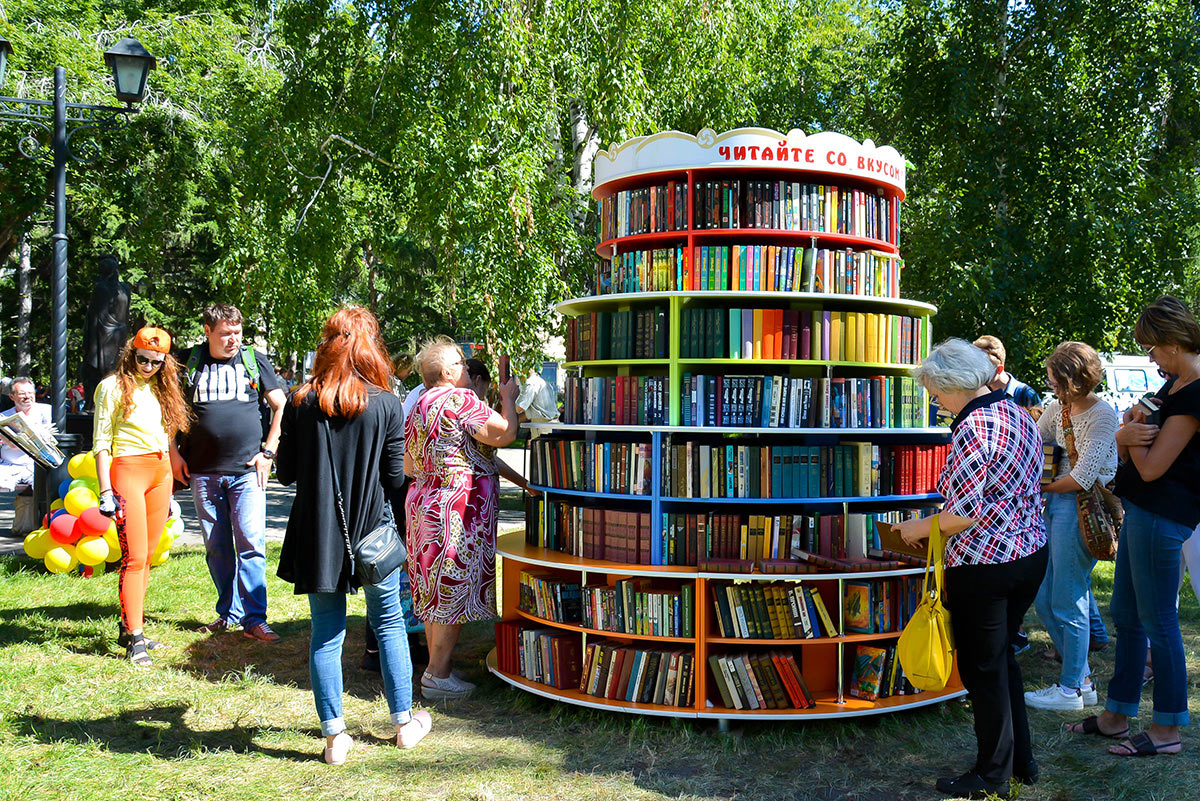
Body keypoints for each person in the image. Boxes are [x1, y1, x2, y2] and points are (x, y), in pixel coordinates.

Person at [276, 307, 431, 764]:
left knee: (326, 633)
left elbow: (285, 473)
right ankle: (404, 724)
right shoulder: (385, 403)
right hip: (374, 535)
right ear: (369, 345)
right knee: (389, 625)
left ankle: (334, 739)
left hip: (317, 535)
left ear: (326, 344)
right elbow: (395, 479)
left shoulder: (300, 400)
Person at [896, 338, 1047, 798]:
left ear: (953, 384)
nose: (934, 401)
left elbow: (964, 513)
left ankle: (992, 774)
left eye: (935, 392)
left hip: (986, 562)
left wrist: (916, 527)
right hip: (1029, 553)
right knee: (1002, 661)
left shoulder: (973, 427)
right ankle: (1021, 762)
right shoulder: (1018, 411)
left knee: (983, 669)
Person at [1068, 296, 1200, 757]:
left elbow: (1151, 468)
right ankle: (1115, 715)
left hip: (1162, 516)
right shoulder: (1173, 385)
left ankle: (1166, 730)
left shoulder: (1193, 391)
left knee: (1160, 622)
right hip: (1144, 513)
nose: (1149, 357)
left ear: (1172, 340)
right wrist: (1126, 437)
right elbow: (1134, 424)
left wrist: (1126, 443)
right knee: (1126, 615)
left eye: (1152, 347)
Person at [405, 338, 519, 699]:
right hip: (459, 508)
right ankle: (438, 675)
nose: (469, 368)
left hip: (424, 503)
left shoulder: (419, 404)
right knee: (453, 589)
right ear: (449, 372)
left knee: (432, 590)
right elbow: (504, 433)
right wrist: (509, 400)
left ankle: (436, 670)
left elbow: (408, 465)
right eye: (463, 363)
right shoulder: (460, 400)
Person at [177, 304, 286, 642]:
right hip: (202, 471)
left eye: (237, 332)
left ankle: (255, 618)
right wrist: (171, 454)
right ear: (207, 331)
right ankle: (229, 613)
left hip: (247, 471)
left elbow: (280, 405)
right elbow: (172, 410)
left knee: (251, 542)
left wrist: (268, 452)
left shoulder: (254, 359)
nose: (233, 339)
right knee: (217, 547)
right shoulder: (189, 361)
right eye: (225, 333)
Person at [1024, 343, 1117, 711]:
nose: (1049, 384)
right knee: (1046, 601)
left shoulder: (1103, 414)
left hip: (1080, 508)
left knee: (1068, 598)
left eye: (1054, 379)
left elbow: (1082, 477)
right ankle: (1082, 682)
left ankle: (1070, 691)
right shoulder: (1057, 409)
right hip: (1055, 504)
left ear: (1072, 379)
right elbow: (1035, 439)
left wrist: (1038, 486)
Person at [92, 327, 192, 666]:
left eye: (156, 361)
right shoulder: (111, 387)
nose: (148, 366)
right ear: (130, 354)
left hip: (159, 472)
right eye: (142, 359)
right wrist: (106, 490)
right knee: (133, 557)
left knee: (147, 555)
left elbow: (167, 435)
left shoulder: (164, 388)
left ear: (165, 361)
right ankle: (135, 638)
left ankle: (131, 624)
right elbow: (101, 443)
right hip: (127, 472)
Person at [465, 358, 539, 495]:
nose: (482, 398)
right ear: (477, 380)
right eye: (484, 390)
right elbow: (508, 434)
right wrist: (508, 400)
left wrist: (525, 484)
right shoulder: (468, 406)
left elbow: (488, 457)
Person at [0, 377, 53, 492]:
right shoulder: (3, 417)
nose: (27, 396)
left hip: (39, 466)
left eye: (30, 392)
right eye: (22, 393)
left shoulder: (48, 412)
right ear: (11, 396)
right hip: (9, 466)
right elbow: (13, 445)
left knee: (46, 488)